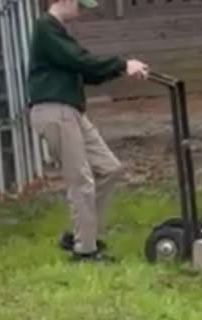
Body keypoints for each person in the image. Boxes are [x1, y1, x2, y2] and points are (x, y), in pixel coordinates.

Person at [27, 0, 150, 262]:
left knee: (109, 168)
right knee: (80, 180)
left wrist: (123, 69)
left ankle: (81, 233)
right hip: (54, 110)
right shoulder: (45, 27)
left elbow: (88, 71)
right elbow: (79, 60)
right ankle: (85, 251)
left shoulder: (59, 33)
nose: (81, 11)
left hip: (72, 112)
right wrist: (121, 64)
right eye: (80, 4)